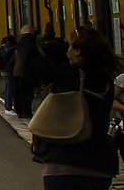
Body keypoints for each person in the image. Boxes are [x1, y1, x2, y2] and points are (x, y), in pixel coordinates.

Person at [29, 26, 119, 189]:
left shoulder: (72, 75)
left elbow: (32, 61)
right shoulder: (106, 78)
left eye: (70, 45)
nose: (67, 49)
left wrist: (26, 36)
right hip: (101, 165)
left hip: (67, 163)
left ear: (78, 51)